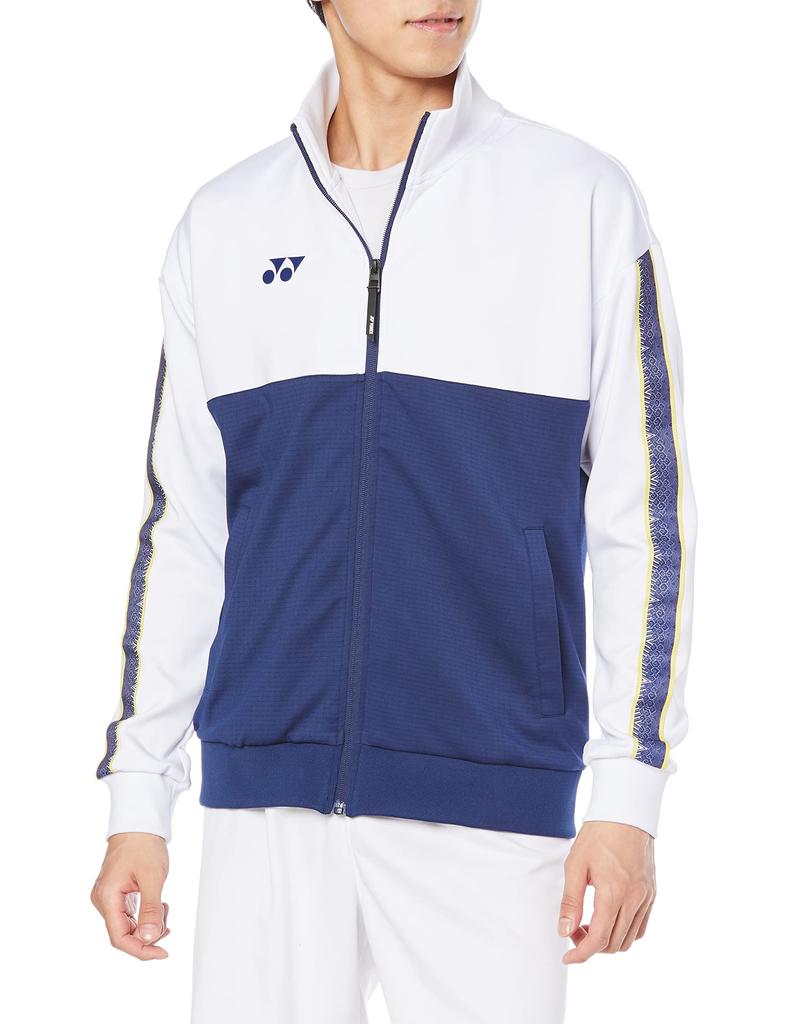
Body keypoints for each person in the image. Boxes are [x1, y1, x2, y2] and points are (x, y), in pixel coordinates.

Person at [90, 2, 697, 1021]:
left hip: (491, 797)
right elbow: (183, 530)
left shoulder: (576, 199)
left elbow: (645, 516)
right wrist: (137, 795)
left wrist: (627, 793)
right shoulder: (226, 224)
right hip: (265, 804)